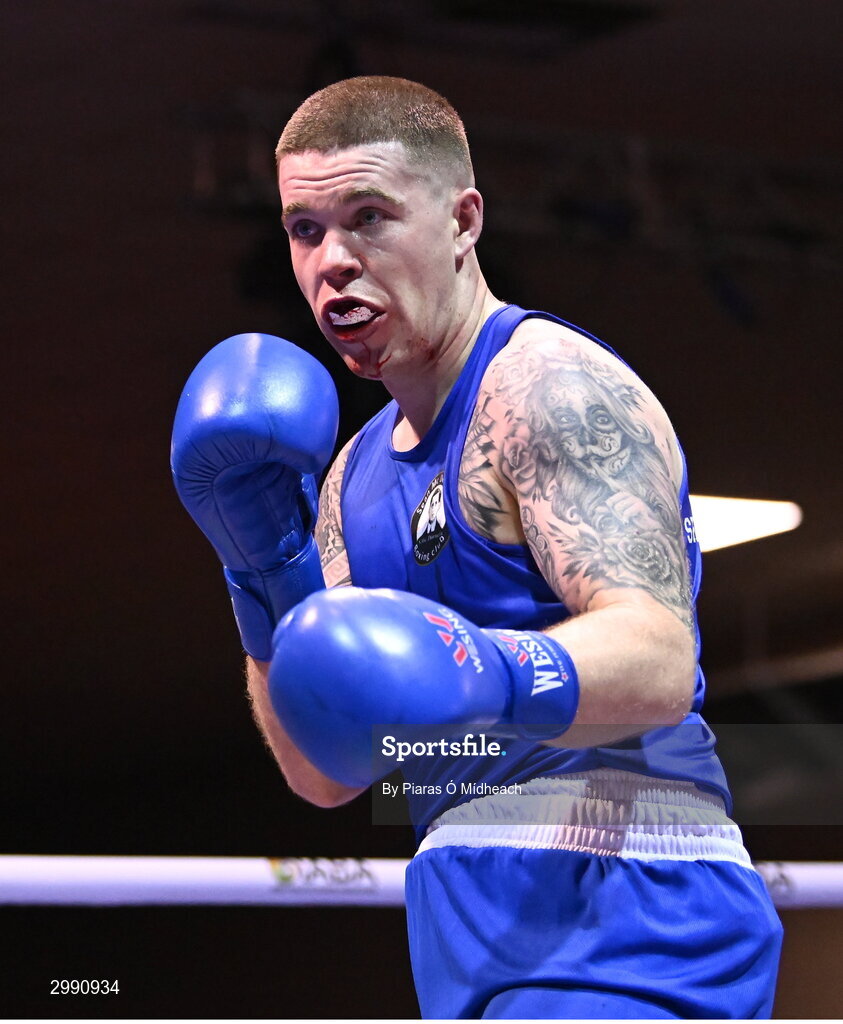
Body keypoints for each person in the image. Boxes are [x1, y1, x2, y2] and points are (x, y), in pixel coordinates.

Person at [172, 77, 782, 1019]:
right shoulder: (347, 478)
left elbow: (659, 658)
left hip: (631, 912)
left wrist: (475, 667)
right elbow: (327, 772)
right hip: (467, 926)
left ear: (463, 221)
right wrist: (261, 567)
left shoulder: (547, 389)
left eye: (368, 216)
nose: (332, 260)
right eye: (304, 229)